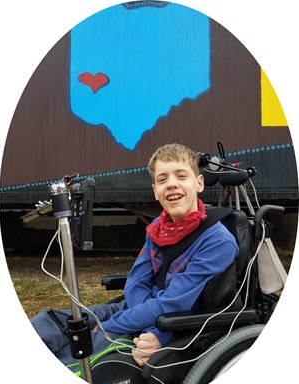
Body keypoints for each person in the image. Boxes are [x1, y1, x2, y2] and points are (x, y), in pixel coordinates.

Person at [31, 143, 239, 371]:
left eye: (181, 176)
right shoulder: (157, 228)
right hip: (134, 310)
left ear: (199, 183)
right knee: (48, 324)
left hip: (175, 321)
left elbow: (174, 303)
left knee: (77, 353)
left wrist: (116, 326)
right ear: (155, 190)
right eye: (162, 180)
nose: (171, 184)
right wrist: (132, 316)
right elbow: (136, 282)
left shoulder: (217, 241)